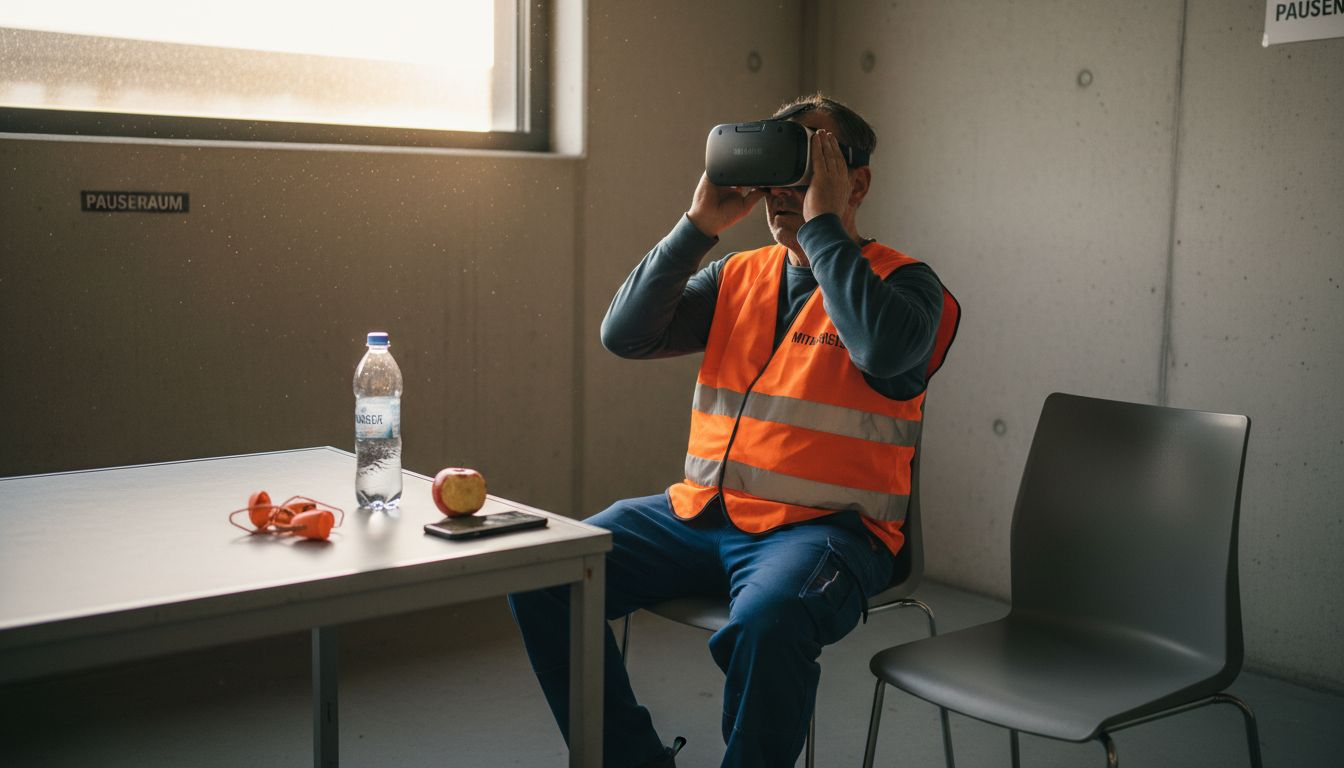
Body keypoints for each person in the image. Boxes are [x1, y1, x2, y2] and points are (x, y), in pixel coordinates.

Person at [508, 94, 960, 768]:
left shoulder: (911, 289)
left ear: (855, 182)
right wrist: (699, 224)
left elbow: (885, 354)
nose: (783, 191)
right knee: (544, 570)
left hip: (829, 531)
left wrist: (824, 227)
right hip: (698, 515)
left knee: (770, 623)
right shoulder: (738, 276)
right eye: (779, 166)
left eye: (808, 166)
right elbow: (624, 335)